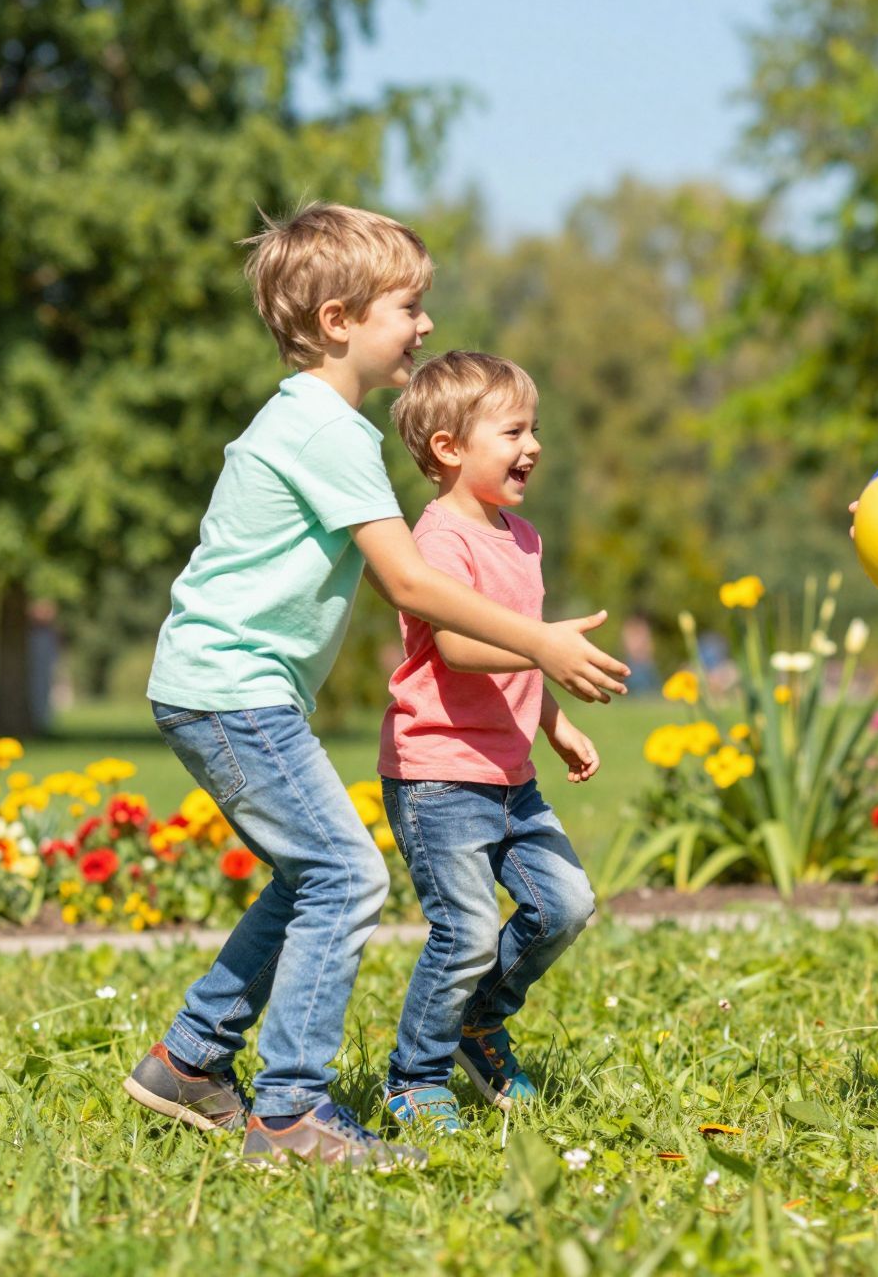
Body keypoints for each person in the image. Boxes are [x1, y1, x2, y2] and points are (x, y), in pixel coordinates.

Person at [122, 204, 627, 1170]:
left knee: (312, 874)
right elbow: (411, 585)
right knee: (345, 876)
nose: (426, 325)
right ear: (340, 320)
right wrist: (541, 645)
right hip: (231, 689)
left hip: (226, 686)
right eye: (409, 307)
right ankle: (290, 1116)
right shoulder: (328, 433)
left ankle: (189, 1061)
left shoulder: (313, 422)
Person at [376, 352, 603, 1135]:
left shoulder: (523, 538)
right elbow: (460, 647)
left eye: (534, 429)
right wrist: (544, 645)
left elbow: (521, 661)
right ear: (448, 448)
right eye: (512, 431)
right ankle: (414, 1077)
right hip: (438, 775)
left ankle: (477, 1021)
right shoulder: (438, 541)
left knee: (566, 905)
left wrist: (554, 723)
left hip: (511, 775)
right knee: (466, 933)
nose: (532, 445)